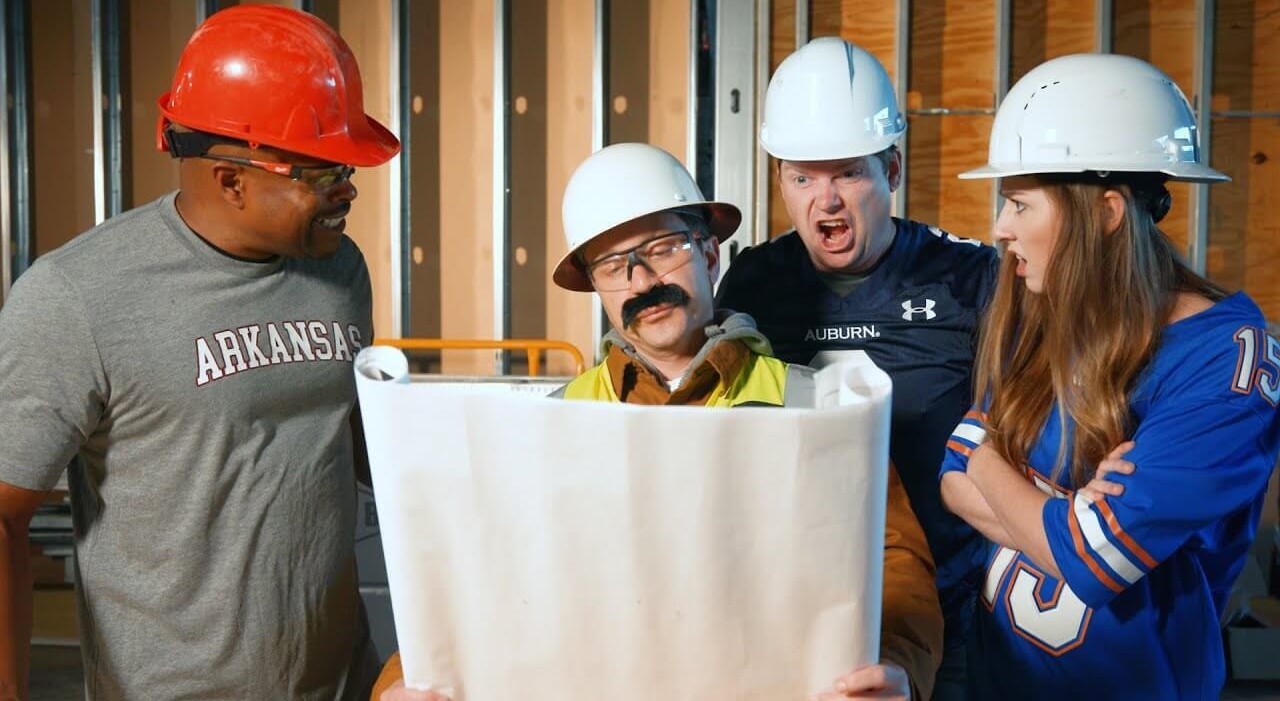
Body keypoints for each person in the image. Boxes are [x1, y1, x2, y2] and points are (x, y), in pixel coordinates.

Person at [373, 143, 942, 701]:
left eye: (663, 247)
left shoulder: (818, 407)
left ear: (710, 254)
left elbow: (895, 562)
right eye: (615, 266)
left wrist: (896, 667)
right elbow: (474, 572)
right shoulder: (550, 424)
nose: (643, 281)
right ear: (597, 289)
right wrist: (402, 680)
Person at [0, 4, 399, 701]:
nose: (347, 190)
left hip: (342, 682)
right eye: (320, 172)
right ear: (231, 179)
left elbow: (346, 442)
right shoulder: (78, 297)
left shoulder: (339, 270)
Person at [938, 53, 1279, 699]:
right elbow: (953, 473)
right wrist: (1049, 509)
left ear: (1106, 213)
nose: (999, 228)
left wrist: (990, 467)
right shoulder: (1045, 310)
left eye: (1019, 204)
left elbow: (1094, 561)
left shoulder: (1226, 358)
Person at [716, 37, 996, 698]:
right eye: (803, 177)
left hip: (949, 609)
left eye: (848, 172)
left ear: (891, 169)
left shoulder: (969, 279)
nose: (827, 200)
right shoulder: (754, 282)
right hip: (798, 609)